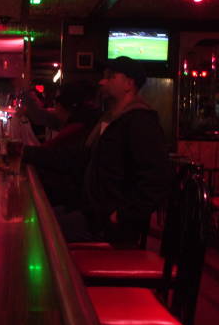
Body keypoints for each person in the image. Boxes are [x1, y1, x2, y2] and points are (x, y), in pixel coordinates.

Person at [60, 56, 170, 245]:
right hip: (92, 214)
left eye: (110, 76)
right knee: (42, 219)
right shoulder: (112, 119)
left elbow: (157, 179)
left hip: (107, 227)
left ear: (128, 83)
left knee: (41, 232)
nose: (102, 81)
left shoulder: (140, 121)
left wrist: (122, 215)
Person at [22, 81, 100, 209]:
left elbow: (57, 156)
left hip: (71, 203)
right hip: (76, 199)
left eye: (56, 104)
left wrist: (22, 151)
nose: (54, 108)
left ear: (62, 107)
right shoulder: (83, 121)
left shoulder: (78, 127)